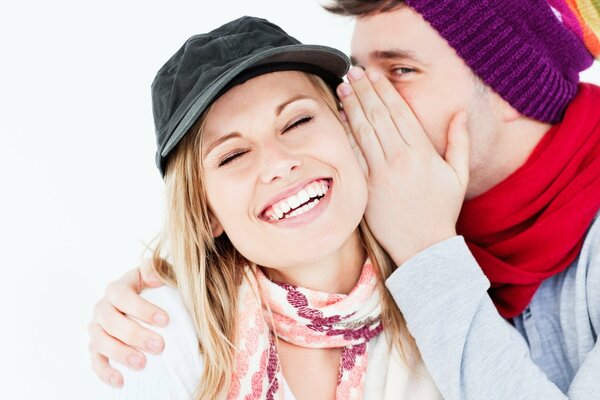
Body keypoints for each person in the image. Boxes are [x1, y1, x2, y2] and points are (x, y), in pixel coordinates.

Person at [90, 1, 600, 398]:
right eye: (356, 75)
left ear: (508, 88)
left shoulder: (421, 242)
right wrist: (152, 300)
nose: (358, 102)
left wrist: (428, 252)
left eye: (400, 71)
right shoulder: (394, 212)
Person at [102, 15, 469, 399]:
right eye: (233, 155)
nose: (279, 163)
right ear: (205, 211)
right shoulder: (159, 335)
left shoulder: (444, 294)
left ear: (350, 133)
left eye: (298, 121)